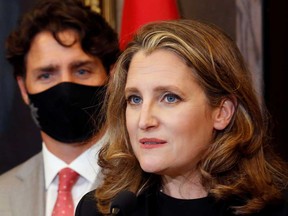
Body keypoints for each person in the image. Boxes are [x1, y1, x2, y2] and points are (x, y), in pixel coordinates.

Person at [75, 19, 288, 216]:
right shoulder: (101, 210)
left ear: (222, 112)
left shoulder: (277, 208)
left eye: (169, 98)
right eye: (135, 99)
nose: (144, 121)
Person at [0, 0, 119, 215]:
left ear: (111, 78)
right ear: (24, 89)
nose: (65, 86)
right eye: (46, 75)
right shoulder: (3, 193)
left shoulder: (152, 182)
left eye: (82, 71)